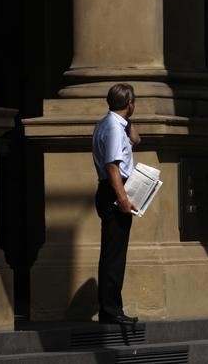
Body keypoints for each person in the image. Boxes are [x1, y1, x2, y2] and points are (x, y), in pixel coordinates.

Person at [92, 83, 141, 325]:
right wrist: (122, 198)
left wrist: (129, 122)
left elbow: (136, 139)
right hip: (114, 191)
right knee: (114, 255)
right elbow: (112, 166)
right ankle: (111, 311)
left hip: (111, 190)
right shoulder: (112, 127)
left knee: (114, 253)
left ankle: (112, 308)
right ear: (130, 104)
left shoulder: (110, 123)